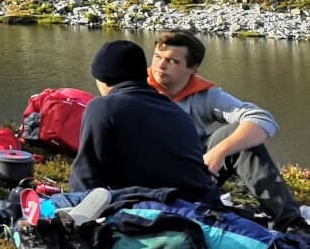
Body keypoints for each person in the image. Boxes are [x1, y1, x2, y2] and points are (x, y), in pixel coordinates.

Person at [148, 29, 305, 231]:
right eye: (157, 57)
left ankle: (290, 223)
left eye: (173, 61)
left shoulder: (204, 95)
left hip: (191, 170)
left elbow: (263, 119)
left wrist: (219, 152)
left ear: (193, 68)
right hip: (146, 177)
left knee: (236, 136)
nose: (160, 66)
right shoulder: (137, 88)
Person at [70, 40, 220, 205]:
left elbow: (86, 176)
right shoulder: (177, 111)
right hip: (206, 207)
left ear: (103, 80)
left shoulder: (103, 106)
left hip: (159, 210)